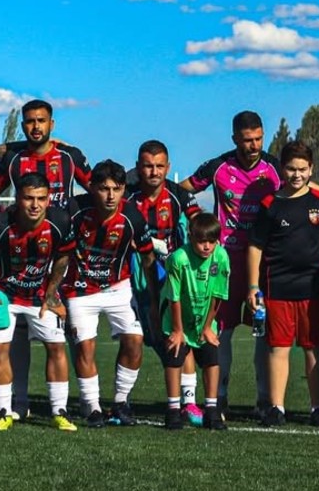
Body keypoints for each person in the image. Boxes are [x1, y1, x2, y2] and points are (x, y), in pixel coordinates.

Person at [0, 99, 90, 419]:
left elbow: (97, 188)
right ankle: (17, 403)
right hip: (18, 260)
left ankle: (86, 403)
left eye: (41, 121)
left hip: (59, 258)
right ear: (22, 125)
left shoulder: (69, 157)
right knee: (14, 337)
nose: (35, 126)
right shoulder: (13, 159)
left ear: (51, 124)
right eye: (30, 121)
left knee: (68, 335)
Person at [179, 111, 281, 416]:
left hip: (263, 263)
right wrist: (196, 216)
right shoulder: (218, 167)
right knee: (221, 331)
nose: (254, 145)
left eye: (259, 139)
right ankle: (219, 396)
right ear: (235, 138)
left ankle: (264, 399)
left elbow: (305, 190)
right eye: (247, 140)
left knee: (263, 331)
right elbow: (182, 189)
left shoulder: (274, 168)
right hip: (224, 264)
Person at [248, 141, 319, 427]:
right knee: (278, 348)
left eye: (303, 169)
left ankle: (317, 408)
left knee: (313, 348)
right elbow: (255, 247)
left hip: (315, 289)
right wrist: (253, 286)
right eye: (292, 169)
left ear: (311, 169)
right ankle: (276, 408)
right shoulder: (270, 204)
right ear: (282, 169)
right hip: (277, 288)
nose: (297, 175)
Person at [0, 173, 75, 431]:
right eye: (29, 198)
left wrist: (51, 293)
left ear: (48, 199)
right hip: (2, 293)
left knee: (56, 346)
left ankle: (59, 411)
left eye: (41, 198)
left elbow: (63, 256)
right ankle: (3, 412)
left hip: (38, 294)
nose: (35, 205)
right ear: (18, 198)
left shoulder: (61, 221)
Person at [65, 160, 157, 428]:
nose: (110, 196)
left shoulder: (133, 216)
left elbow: (148, 258)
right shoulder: (74, 210)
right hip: (80, 290)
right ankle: (93, 407)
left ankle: (120, 402)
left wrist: (152, 299)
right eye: (104, 188)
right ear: (93, 188)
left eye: (116, 189)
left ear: (123, 189)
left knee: (135, 341)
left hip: (118, 288)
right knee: (85, 346)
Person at [127, 140, 203, 425]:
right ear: (138, 167)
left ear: (168, 168)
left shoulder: (179, 196)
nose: (154, 172)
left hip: (170, 274)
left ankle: (189, 402)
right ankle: (121, 402)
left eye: (159, 166)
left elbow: (200, 226)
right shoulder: (127, 197)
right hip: (133, 275)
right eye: (148, 166)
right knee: (135, 337)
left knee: (180, 337)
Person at [160, 213, 228, 431]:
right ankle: (173, 409)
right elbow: (174, 296)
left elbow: (218, 294)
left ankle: (212, 409)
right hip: (177, 315)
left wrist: (207, 327)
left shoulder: (221, 257)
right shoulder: (178, 258)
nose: (207, 246)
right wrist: (178, 330)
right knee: (175, 355)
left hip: (205, 317)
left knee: (211, 356)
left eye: (212, 241)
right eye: (201, 241)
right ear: (190, 238)